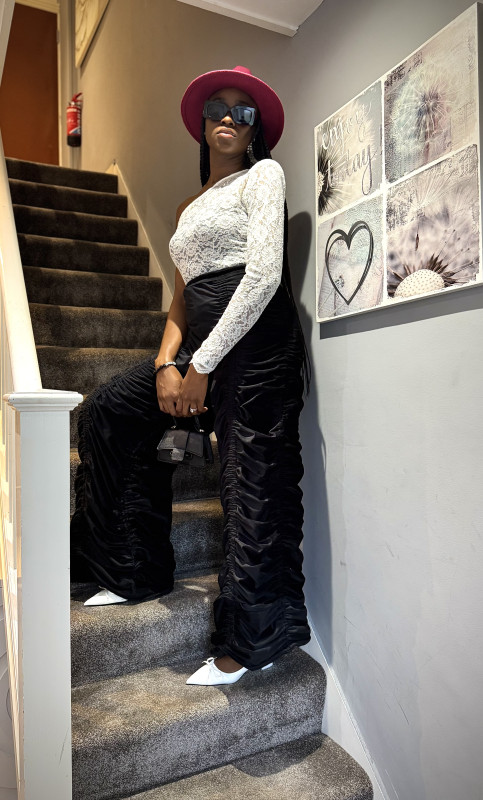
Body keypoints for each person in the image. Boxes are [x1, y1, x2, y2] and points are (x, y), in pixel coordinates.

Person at [71, 65, 311, 685]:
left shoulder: (264, 176)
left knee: (250, 483)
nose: (229, 116)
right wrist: (165, 366)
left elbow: (264, 275)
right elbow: (181, 298)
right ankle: (134, 570)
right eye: (217, 107)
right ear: (202, 123)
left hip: (259, 348)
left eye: (243, 110)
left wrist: (202, 365)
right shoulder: (187, 207)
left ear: (256, 129)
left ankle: (253, 642)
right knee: (108, 411)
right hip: (201, 347)